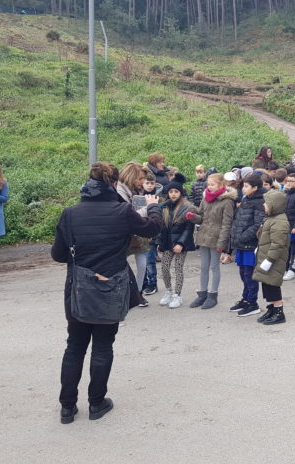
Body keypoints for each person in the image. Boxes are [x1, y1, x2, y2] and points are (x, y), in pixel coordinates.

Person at [52, 162, 161, 424]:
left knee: (75, 346)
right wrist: (154, 206)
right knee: (103, 345)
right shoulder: (122, 210)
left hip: (78, 288)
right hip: (111, 285)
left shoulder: (70, 213)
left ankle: (67, 407)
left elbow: (58, 255)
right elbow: (151, 229)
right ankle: (96, 403)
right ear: (114, 183)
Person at [186, 173, 236, 310]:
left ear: (221, 185)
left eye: (212, 184)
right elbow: (201, 218)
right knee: (203, 267)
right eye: (208, 184)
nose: (209, 187)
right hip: (203, 237)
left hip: (216, 239)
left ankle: (212, 295)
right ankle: (202, 294)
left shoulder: (227, 202)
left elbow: (227, 224)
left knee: (214, 267)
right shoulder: (205, 199)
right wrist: (193, 217)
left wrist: (222, 243)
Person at [116, 162, 155, 306]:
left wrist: (146, 227)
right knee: (120, 267)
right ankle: (124, 295)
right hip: (124, 235)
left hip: (137, 233)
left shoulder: (136, 190)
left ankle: (138, 293)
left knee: (142, 265)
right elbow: (129, 217)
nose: (142, 182)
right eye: (140, 179)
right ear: (131, 176)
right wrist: (149, 208)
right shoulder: (119, 192)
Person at [228, 173, 266, 316]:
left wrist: (242, 237)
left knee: (250, 275)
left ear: (255, 187)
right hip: (241, 244)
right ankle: (245, 298)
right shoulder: (247, 199)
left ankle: (253, 303)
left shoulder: (260, 202)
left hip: (250, 244)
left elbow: (258, 225)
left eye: (246, 186)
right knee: (243, 273)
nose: (243, 189)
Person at [253, 190, 291, 325]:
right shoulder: (271, 218)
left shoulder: (279, 222)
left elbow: (278, 244)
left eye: (267, 203)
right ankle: (271, 309)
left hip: (273, 260)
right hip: (266, 257)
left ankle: (279, 312)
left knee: (273, 285)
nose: (264, 205)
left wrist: (269, 260)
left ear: (275, 205)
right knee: (266, 283)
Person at [157, 181, 196, 309]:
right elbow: (163, 227)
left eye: (176, 191)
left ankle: (177, 295)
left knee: (178, 268)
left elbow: (189, 228)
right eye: (171, 192)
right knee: (164, 267)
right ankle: (168, 291)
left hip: (181, 243)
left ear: (181, 193)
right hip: (167, 242)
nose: (173, 194)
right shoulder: (165, 207)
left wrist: (180, 243)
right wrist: (160, 243)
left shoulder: (187, 206)